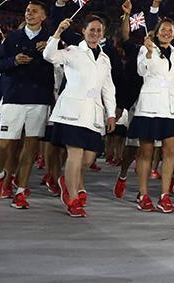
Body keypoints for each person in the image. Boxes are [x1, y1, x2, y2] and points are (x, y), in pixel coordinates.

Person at [43, 15, 117, 218]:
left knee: (88, 159)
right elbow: (49, 56)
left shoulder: (104, 58)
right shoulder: (73, 51)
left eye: (99, 30)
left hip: (93, 113)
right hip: (72, 111)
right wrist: (57, 33)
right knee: (75, 156)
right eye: (91, 30)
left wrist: (111, 114)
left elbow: (108, 88)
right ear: (83, 31)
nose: (95, 34)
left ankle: (67, 182)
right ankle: (73, 199)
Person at [0, 1, 55, 206]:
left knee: (31, 145)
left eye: (35, 11)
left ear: (43, 16)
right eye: (27, 10)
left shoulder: (52, 39)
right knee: (4, 144)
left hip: (38, 98)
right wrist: (15, 61)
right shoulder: (12, 37)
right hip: (13, 97)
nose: (30, 14)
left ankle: (20, 191)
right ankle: (0, 174)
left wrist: (51, 49)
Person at [130, 17, 174, 213]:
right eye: (164, 30)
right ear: (156, 31)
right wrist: (147, 52)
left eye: (170, 31)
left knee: (169, 151)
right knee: (146, 152)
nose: (167, 33)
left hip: (169, 108)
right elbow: (140, 71)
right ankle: (144, 194)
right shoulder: (147, 48)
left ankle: (165, 196)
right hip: (149, 106)